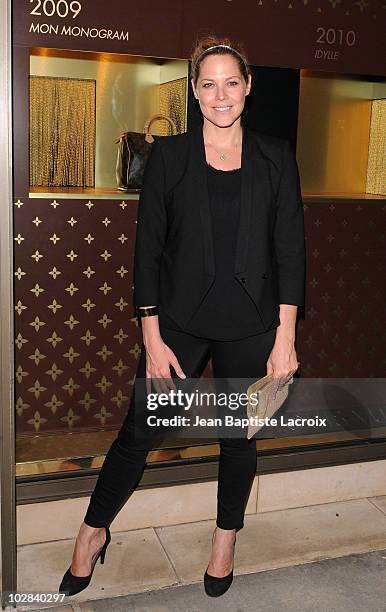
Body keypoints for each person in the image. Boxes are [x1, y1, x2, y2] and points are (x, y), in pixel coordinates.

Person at [59, 34, 306, 598]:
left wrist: (285, 336)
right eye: (209, 84)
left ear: (248, 88)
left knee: (238, 439)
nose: (222, 95)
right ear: (195, 92)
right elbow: (147, 253)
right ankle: (92, 532)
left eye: (232, 83)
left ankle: (225, 540)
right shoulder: (169, 157)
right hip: (179, 324)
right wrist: (151, 336)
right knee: (139, 432)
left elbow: (292, 251)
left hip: (254, 324)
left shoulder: (276, 157)